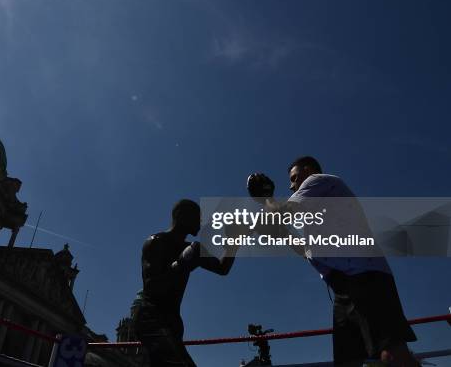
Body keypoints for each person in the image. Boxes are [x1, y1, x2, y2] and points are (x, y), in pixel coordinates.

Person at [247, 156, 419, 367]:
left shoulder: (318, 181)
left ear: (308, 171)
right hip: (342, 290)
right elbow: (301, 248)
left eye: (294, 179)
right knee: (348, 362)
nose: (291, 186)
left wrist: (266, 197)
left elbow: (280, 216)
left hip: (365, 277)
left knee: (391, 355)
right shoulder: (312, 214)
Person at [132, 199, 238, 367]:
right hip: (151, 318)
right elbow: (152, 287)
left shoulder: (193, 248)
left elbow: (222, 268)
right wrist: (181, 263)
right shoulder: (156, 242)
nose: (200, 221)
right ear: (182, 216)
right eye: (197, 217)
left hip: (171, 321)